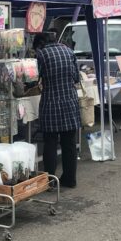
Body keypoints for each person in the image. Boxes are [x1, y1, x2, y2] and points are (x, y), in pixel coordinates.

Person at [34, 33, 80, 188]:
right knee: (69, 143)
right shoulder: (69, 51)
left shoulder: (42, 54)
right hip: (70, 102)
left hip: (51, 103)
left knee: (50, 142)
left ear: (40, 43)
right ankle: (70, 179)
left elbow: (34, 79)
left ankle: (50, 181)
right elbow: (76, 78)